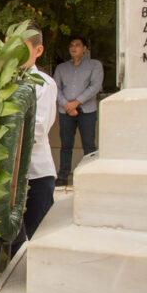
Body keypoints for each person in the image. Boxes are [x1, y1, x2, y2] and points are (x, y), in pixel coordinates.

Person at [21, 25, 58, 235]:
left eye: (23, 48)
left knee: (38, 234)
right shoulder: (4, 83)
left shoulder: (44, 83)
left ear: (38, 50)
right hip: (11, 176)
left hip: (36, 173)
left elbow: (38, 129)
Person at [53, 35, 103, 186]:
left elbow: (94, 87)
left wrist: (76, 103)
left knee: (89, 145)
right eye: (71, 45)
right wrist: (66, 105)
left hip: (86, 110)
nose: (73, 48)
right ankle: (62, 176)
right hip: (65, 111)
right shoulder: (61, 68)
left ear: (84, 48)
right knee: (66, 145)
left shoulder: (94, 65)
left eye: (77, 45)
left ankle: (90, 176)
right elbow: (56, 88)